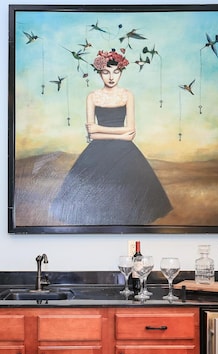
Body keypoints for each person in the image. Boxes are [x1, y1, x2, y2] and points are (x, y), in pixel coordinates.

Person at [50, 49, 172, 225]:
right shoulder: (92, 96)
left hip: (125, 152)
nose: (111, 77)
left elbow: (129, 131)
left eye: (116, 72)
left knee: (130, 196)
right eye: (106, 72)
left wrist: (100, 129)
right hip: (98, 152)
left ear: (121, 72)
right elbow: (93, 135)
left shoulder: (127, 95)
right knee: (93, 196)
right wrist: (120, 134)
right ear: (99, 73)